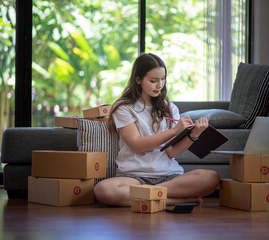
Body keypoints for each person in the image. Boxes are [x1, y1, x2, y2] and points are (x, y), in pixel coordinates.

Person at [94, 53, 220, 206]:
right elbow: (137, 144)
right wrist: (174, 130)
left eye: (163, 79)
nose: (160, 85)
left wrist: (194, 135)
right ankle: (170, 200)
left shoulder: (170, 108)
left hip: (169, 176)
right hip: (134, 176)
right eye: (153, 81)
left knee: (211, 177)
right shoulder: (123, 107)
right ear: (138, 80)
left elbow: (171, 152)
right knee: (103, 189)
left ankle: (151, 195)